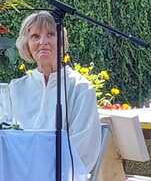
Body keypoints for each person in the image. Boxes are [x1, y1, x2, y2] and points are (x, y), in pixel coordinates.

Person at [8, 11, 101, 172]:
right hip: (18, 174)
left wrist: (40, 168)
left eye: (50, 34)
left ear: (61, 41)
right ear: (27, 45)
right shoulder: (15, 89)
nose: (43, 42)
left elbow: (82, 149)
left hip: (63, 178)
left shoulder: (80, 89)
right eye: (35, 36)